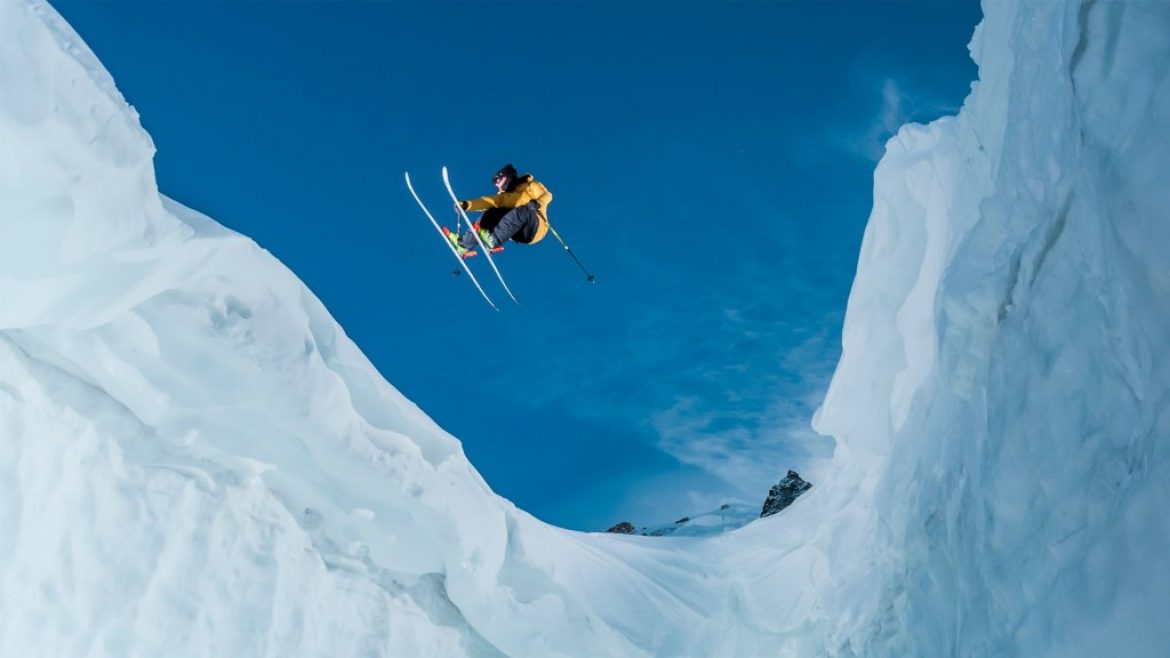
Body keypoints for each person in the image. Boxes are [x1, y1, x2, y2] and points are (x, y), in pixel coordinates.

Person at [448, 164, 552, 257]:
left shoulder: (530, 185)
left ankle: (494, 241)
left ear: (508, 175)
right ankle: (464, 245)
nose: (497, 183)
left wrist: (538, 203)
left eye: (498, 179)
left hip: (534, 227)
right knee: (491, 213)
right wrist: (467, 205)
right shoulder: (504, 197)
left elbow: (547, 195)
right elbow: (487, 201)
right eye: (495, 182)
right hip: (514, 229)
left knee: (523, 210)